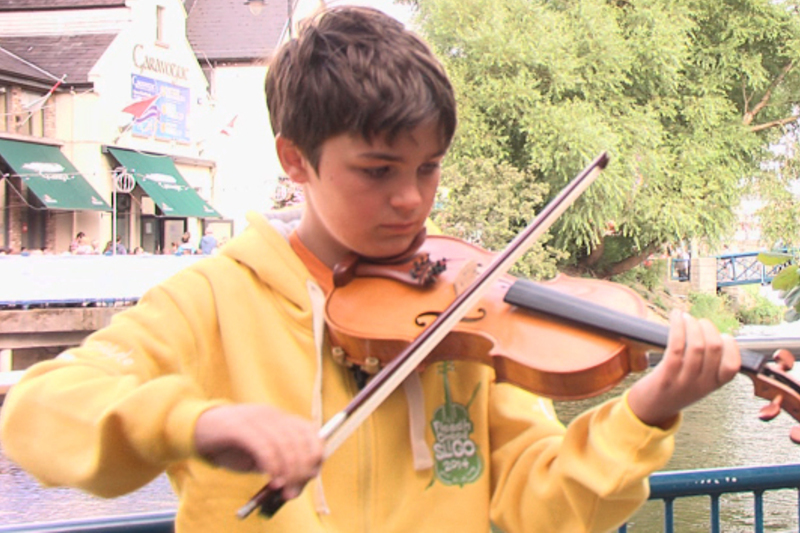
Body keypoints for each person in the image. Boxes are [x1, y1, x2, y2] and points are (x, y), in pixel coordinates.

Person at [0, 7, 740, 533]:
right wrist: (197, 421)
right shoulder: (214, 300)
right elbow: (37, 410)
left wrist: (644, 412)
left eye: (428, 167)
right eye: (379, 170)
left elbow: (539, 508)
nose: (413, 199)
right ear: (296, 160)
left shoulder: (465, 312)